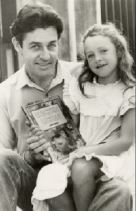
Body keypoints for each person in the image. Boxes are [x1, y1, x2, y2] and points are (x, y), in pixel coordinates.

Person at [0, 1, 133, 210]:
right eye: (35, 46)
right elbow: (6, 157)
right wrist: (31, 156)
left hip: (86, 174)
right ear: (18, 46)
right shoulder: (5, 92)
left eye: (51, 45)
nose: (46, 55)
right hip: (37, 179)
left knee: (120, 189)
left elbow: (118, 94)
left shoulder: (84, 76)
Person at [28, 23, 135, 211]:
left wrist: (86, 151)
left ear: (118, 52)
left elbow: (125, 142)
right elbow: (71, 129)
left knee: (80, 168)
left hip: (112, 156)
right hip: (80, 153)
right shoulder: (82, 87)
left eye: (103, 51)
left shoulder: (128, 92)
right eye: (90, 55)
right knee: (49, 175)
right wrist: (47, 135)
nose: (97, 59)